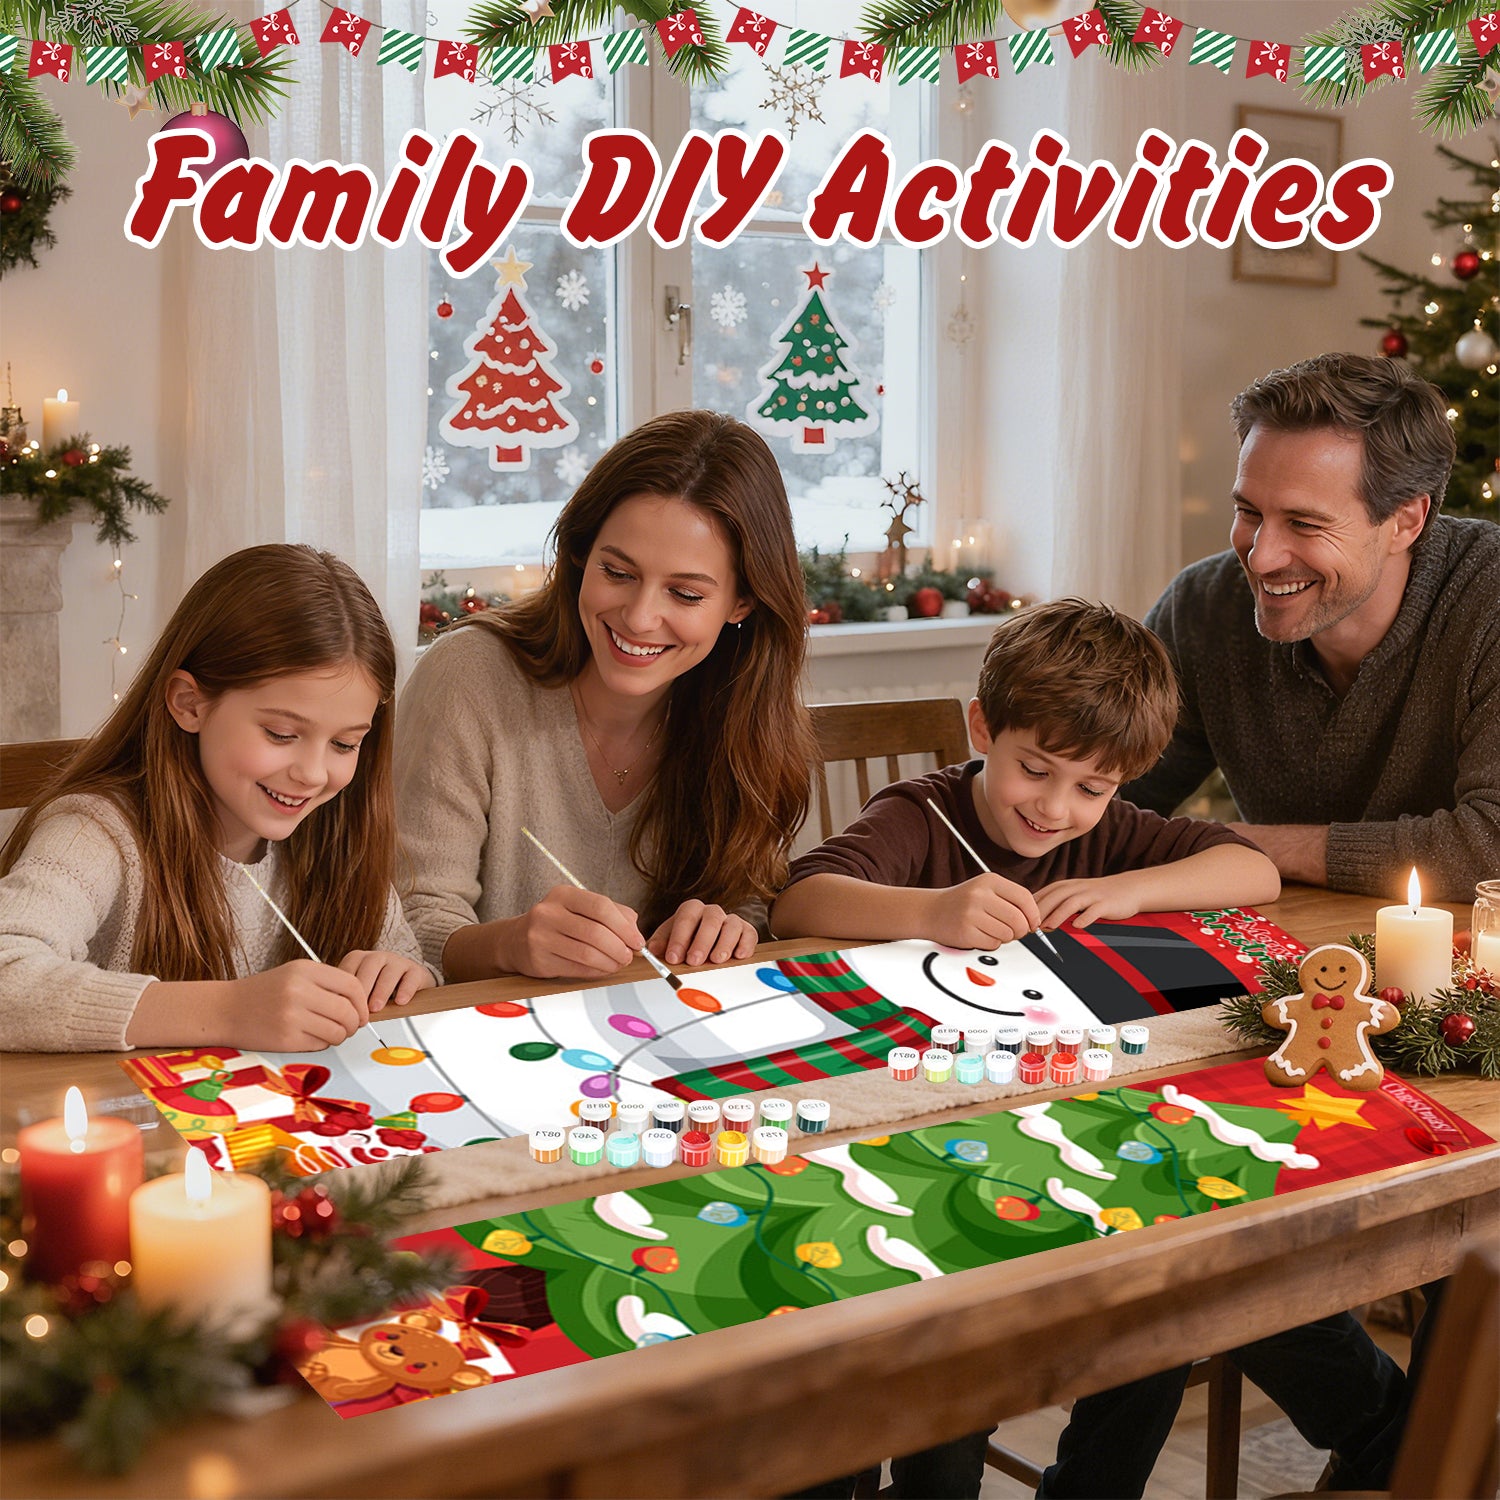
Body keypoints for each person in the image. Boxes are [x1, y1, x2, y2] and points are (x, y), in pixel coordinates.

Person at [771, 598, 1280, 1500]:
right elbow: (801, 899)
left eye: (1093, 789)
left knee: (1159, 1294)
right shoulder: (921, 816)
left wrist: (1126, 890)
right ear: (983, 728)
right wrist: (930, 911)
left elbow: (1254, 871)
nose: (1055, 808)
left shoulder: (1108, 836)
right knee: (956, 1370)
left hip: (1065, 1143)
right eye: (1034, 771)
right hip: (915, 1152)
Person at [395, 409, 816, 983]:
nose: (640, 617)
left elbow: (747, 901)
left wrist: (728, 926)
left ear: (742, 604)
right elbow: (407, 926)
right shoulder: (469, 677)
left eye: (686, 594)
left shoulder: (746, 707)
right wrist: (511, 944)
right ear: (579, 555)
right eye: (617, 573)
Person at [0, 544, 434, 1053]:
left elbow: (408, 963)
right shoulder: (94, 833)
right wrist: (229, 1011)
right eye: (279, 733)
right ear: (190, 704)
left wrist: (406, 976)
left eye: (344, 744)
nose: (313, 774)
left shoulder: (337, 833)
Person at [1123, 352, 1499, 902]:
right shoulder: (1201, 609)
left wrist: (1236, 845)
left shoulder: (1488, 600)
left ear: (1405, 521)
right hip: (1280, 958)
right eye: (1249, 511)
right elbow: (1101, 789)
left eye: (1304, 523)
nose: (1262, 556)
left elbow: (1491, 845)